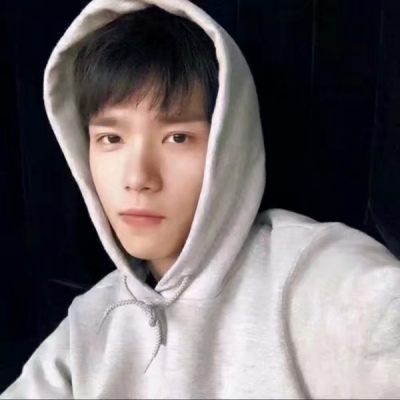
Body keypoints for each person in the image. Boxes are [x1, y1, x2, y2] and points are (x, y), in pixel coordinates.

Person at [2, 0, 400, 398]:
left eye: (177, 138)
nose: (138, 178)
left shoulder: (311, 274)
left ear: (228, 143)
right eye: (112, 138)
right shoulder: (87, 328)